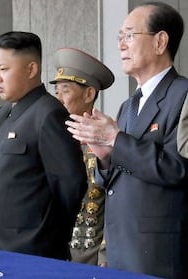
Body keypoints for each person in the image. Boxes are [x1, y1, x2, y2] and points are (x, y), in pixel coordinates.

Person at [65, 2, 188, 278]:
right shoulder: (128, 105)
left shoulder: (183, 95)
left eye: (129, 36)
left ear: (160, 41)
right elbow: (117, 176)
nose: (121, 45)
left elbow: (179, 169)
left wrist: (116, 140)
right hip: (121, 248)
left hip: (158, 253)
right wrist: (105, 156)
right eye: (120, 37)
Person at [0, 31, 87, 259]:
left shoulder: (49, 114)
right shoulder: (3, 113)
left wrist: (47, 240)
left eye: (4, 69)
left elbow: (70, 185)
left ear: (31, 69)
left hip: (27, 252)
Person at [50, 47, 114, 266]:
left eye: (65, 91)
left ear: (89, 94)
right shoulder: (52, 142)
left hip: (88, 257)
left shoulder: (106, 145)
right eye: (56, 91)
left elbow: (114, 207)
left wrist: (105, 258)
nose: (58, 99)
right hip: (51, 252)